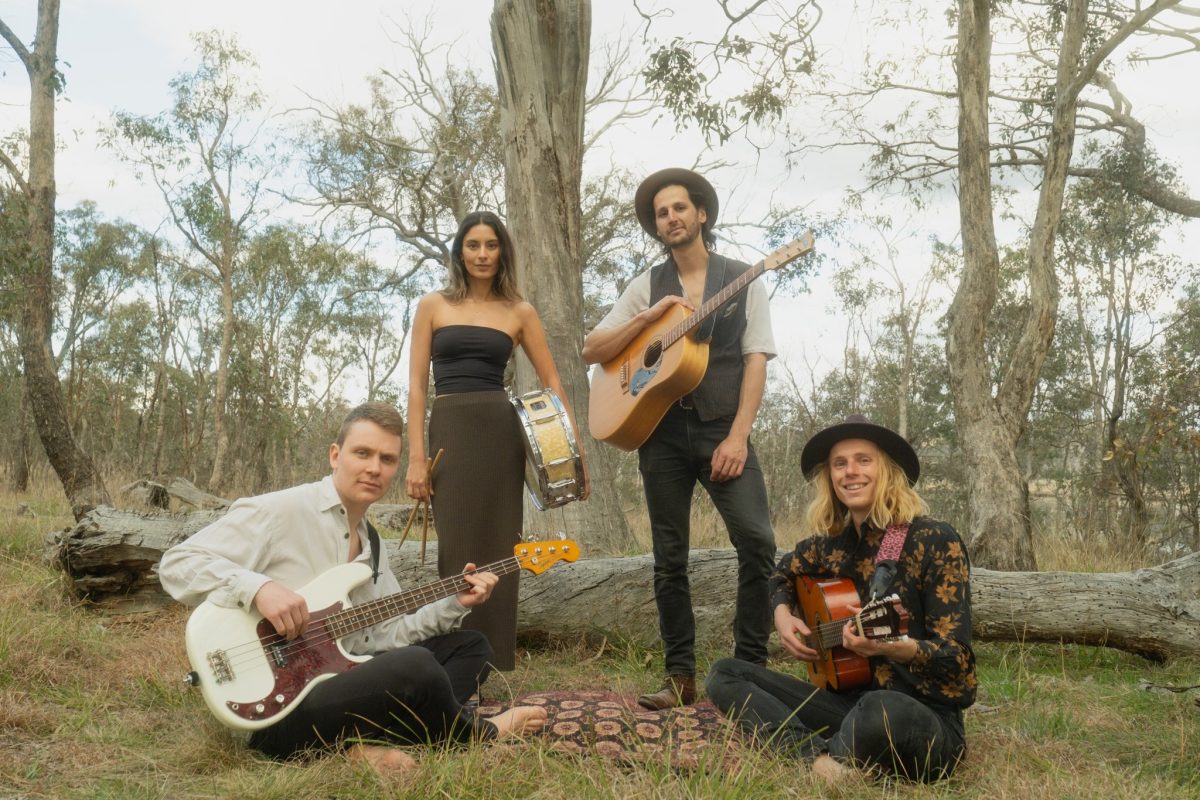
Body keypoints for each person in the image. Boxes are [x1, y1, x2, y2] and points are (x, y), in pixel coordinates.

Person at [158, 402, 547, 776]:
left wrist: (454, 603)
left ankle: (355, 746)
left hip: (333, 678)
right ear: (334, 455)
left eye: (387, 459)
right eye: (363, 453)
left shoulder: (373, 546)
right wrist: (259, 588)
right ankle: (481, 734)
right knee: (417, 667)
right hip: (275, 713)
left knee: (471, 647)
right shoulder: (281, 511)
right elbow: (177, 564)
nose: (374, 468)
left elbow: (385, 635)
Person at [581, 168, 777, 709]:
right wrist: (645, 318)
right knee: (669, 558)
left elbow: (756, 361)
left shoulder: (744, 277)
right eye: (662, 213)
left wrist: (738, 437)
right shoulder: (647, 284)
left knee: (758, 544)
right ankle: (679, 677)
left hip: (721, 428)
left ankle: (749, 672)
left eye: (680, 208)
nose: (671, 217)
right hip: (661, 433)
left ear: (702, 215)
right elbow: (592, 350)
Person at [706, 415, 976, 783]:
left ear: (888, 469)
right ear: (830, 478)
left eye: (863, 460)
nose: (850, 472)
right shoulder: (831, 545)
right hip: (847, 701)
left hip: (918, 715)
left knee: (879, 709)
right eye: (839, 463)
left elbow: (958, 663)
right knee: (726, 672)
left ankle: (811, 748)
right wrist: (783, 616)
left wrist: (896, 648)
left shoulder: (934, 539)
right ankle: (818, 762)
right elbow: (780, 573)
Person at [406, 211, 586, 672]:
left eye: (491, 245)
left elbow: (552, 383)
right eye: (473, 245)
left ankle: (491, 665)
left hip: (499, 428)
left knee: (499, 546)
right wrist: (416, 459)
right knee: (456, 547)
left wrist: (573, 452)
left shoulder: (519, 311)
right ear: (459, 252)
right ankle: (450, 661)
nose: (482, 254)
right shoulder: (433, 305)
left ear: (502, 252)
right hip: (449, 425)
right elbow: (416, 388)